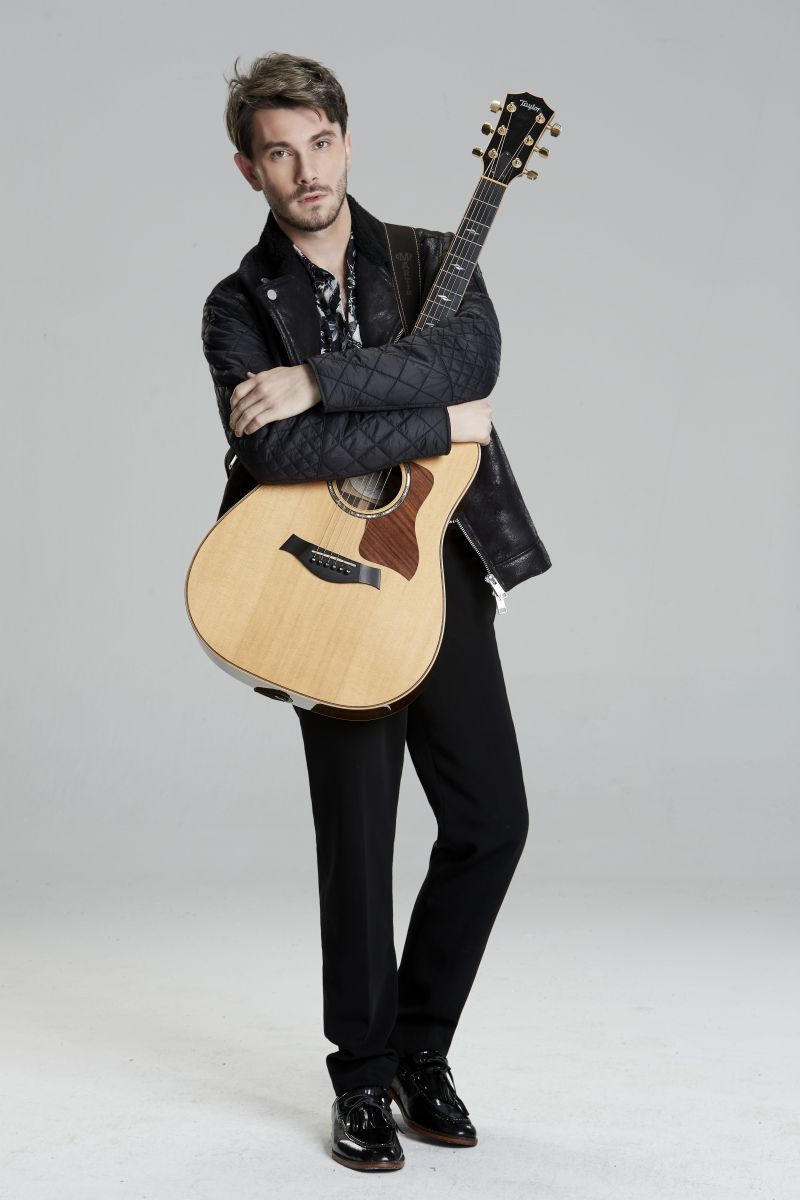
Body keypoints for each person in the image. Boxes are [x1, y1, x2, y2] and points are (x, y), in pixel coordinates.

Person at [200, 51, 552, 1172]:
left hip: (434, 565)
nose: (305, 169)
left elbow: (470, 363)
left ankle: (418, 1049)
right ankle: (358, 1075)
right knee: (357, 843)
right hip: (316, 578)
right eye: (278, 152)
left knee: (492, 820)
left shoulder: (431, 259)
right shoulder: (235, 306)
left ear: (346, 142)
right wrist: (435, 416)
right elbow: (278, 455)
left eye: (320, 143)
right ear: (249, 168)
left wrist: (319, 383)